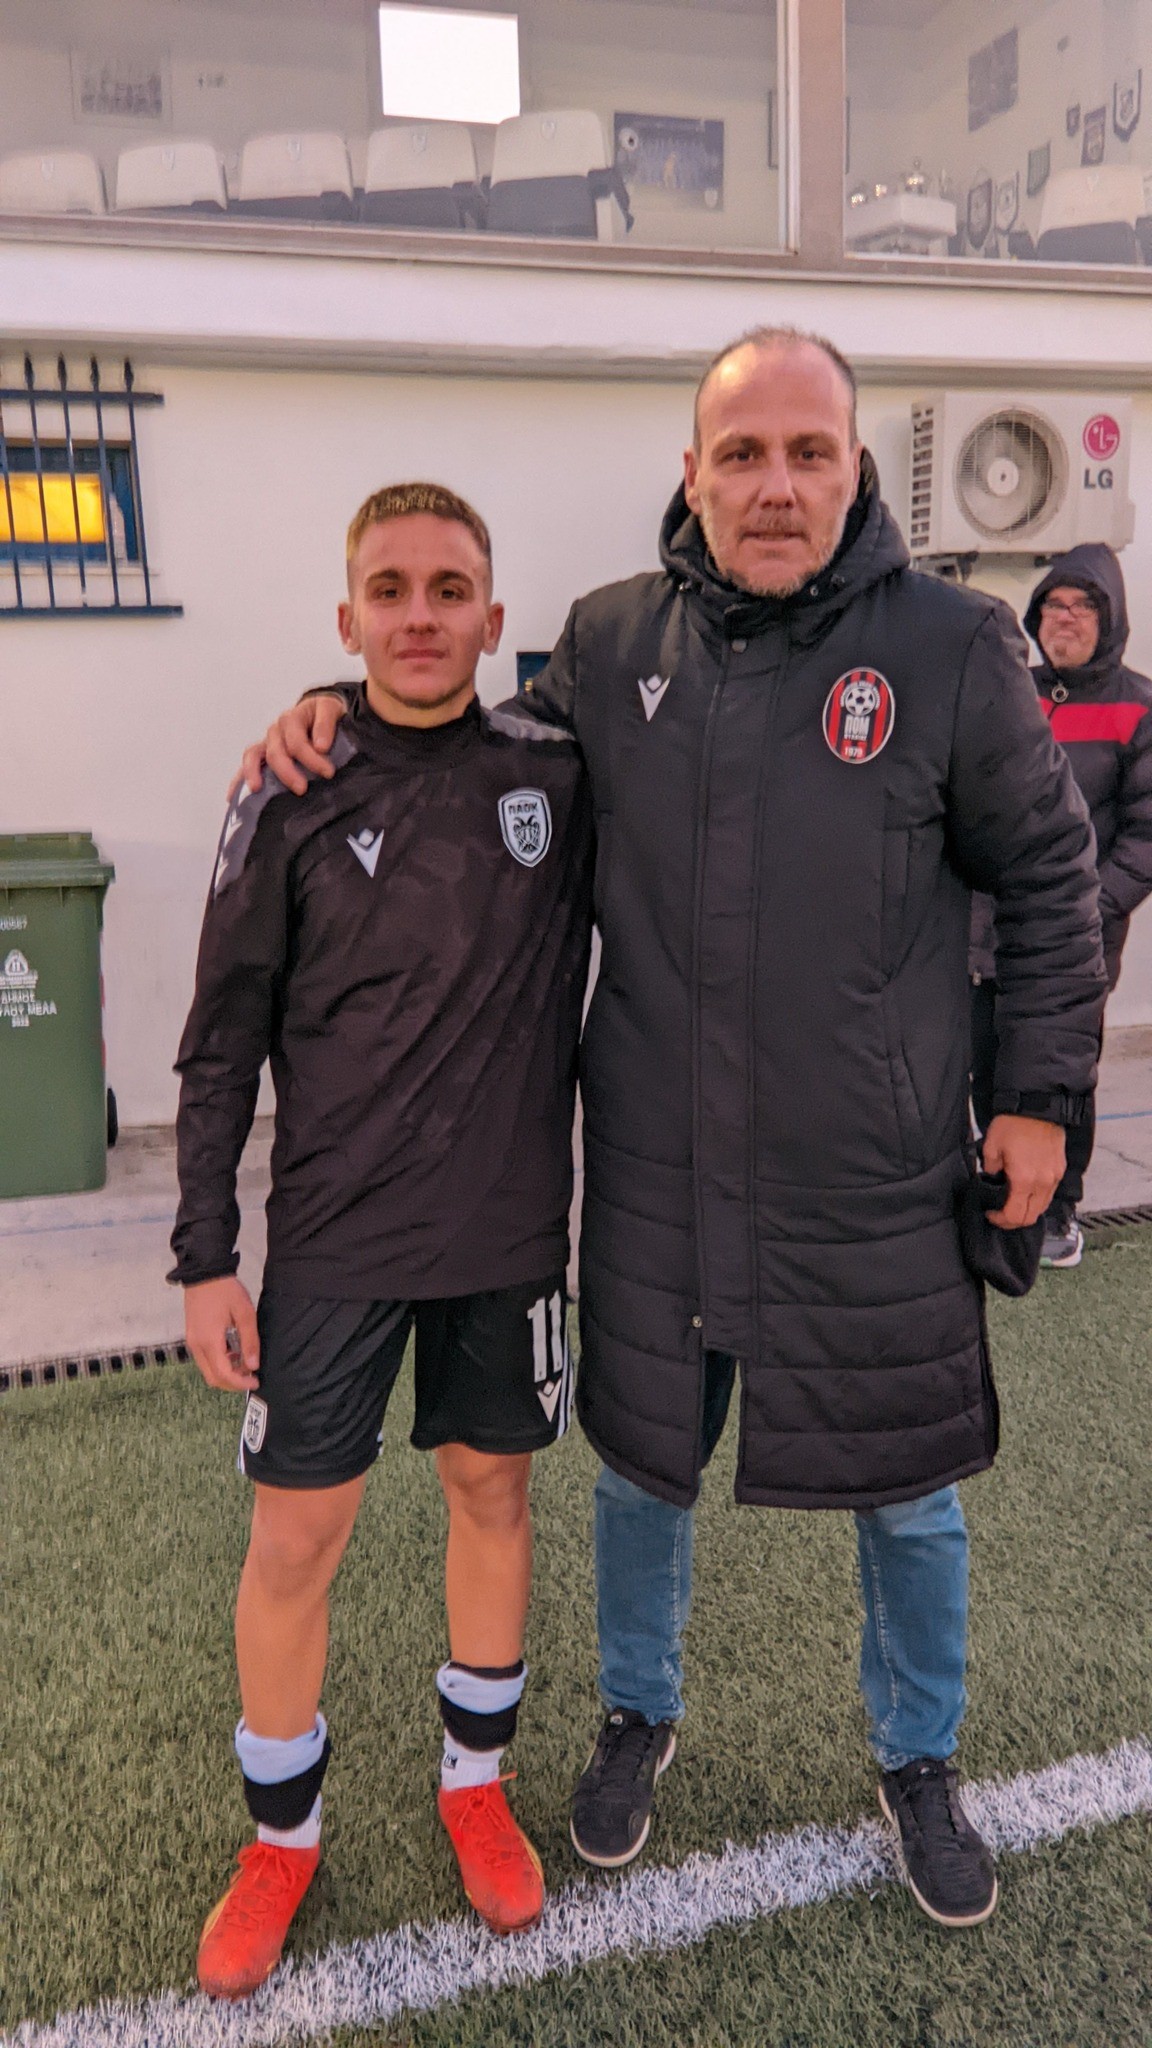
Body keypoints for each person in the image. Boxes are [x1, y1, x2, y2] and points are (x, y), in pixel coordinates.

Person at [240, 328, 1104, 1932]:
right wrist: (329, 710)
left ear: (855, 468)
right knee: (643, 1471)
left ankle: (919, 1757)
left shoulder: (954, 647)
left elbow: (1053, 878)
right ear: (691, 474)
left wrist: (1043, 1099)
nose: (775, 486)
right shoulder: (608, 641)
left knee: (909, 1489)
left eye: (807, 453)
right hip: (656, 1166)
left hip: (876, 1173)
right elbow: (461, 746)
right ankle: (637, 1716)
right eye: (742, 455)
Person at [172, 482, 592, 1997]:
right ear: (346, 619)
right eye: (392, 590)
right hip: (335, 1243)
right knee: (296, 1539)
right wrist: (204, 1253)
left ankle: (476, 1787)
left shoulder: (560, 770)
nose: (422, 616)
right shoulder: (288, 786)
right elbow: (222, 1036)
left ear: (494, 616)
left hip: (506, 1237)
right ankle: (280, 1837)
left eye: (450, 589)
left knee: (494, 1494)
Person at [970, 544, 1152, 1269]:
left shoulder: (1139, 708)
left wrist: (1088, 909)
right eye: (1053, 604)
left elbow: (1146, 835)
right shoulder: (1014, 695)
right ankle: (1000, 1195)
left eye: (1082, 606)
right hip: (987, 936)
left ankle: (1058, 1211)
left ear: (1110, 620)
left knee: (1057, 1074)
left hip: (1076, 944)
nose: (1064, 618)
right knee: (987, 1068)